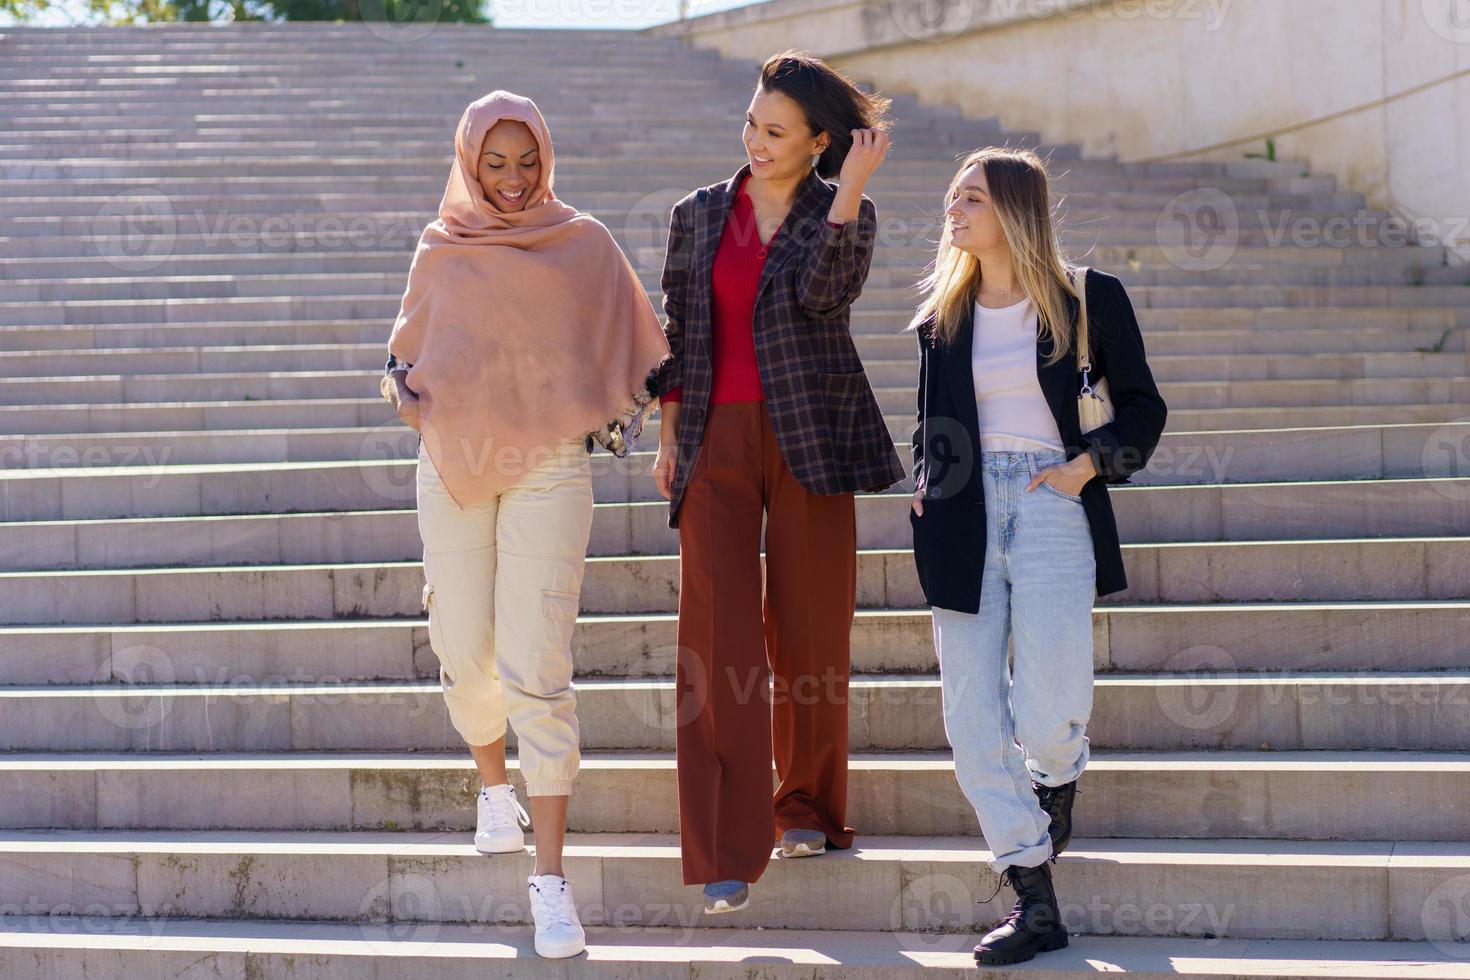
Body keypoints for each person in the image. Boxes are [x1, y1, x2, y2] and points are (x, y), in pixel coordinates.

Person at [380, 90, 670, 959]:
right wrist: (408, 397)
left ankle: (550, 882)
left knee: (537, 667)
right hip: (455, 467)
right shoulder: (441, 245)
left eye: (528, 160)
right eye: (496, 163)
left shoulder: (582, 244)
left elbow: (640, 346)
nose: (514, 179)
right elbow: (406, 356)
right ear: (470, 161)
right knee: (464, 651)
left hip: (551, 463)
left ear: (547, 156)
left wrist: (609, 405)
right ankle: (491, 786)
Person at [649, 50, 905, 915]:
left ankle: (808, 807)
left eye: (775, 131)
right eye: (751, 123)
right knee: (717, 634)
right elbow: (680, 331)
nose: (755, 141)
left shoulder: (847, 211)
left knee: (810, 628)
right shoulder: (697, 214)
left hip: (812, 434)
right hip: (715, 436)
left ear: (818, 141)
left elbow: (822, 299)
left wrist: (851, 187)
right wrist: (671, 435)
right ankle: (726, 843)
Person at [907, 147, 1167, 965]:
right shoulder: (942, 319)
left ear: (1014, 208)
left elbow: (1143, 408)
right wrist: (927, 479)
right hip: (962, 513)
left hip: (1054, 502)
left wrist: (1086, 468)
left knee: (1050, 705)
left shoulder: (1089, 299)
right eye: (953, 195)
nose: (954, 208)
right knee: (971, 718)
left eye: (971, 197)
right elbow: (931, 422)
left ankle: (1056, 780)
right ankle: (1033, 896)